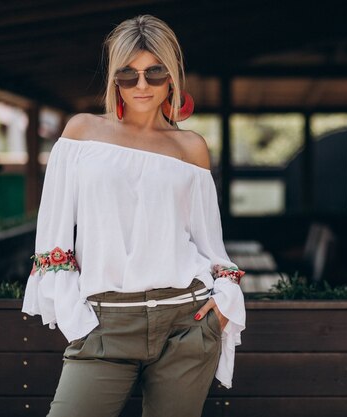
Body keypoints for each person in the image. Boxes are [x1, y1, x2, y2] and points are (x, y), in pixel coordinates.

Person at [21, 14, 246, 417]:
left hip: (185, 323)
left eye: (154, 73)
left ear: (172, 77)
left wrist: (225, 300)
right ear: (114, 80)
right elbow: (53, 240)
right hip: (104, 325)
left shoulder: (190, 147)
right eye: (128, 75)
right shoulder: (81, 134)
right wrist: (79, 321)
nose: (142, 85)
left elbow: (209, 244)